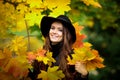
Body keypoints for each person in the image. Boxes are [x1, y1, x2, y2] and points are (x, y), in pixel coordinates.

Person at [28, 15, 88, 80]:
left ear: (66, 34)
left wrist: (84, 74)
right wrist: (26, 69)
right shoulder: (42, 54)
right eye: (52, 28)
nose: (54, 32)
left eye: (60, 30)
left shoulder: (72, 57)